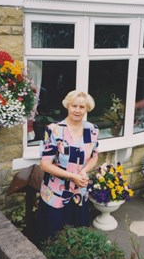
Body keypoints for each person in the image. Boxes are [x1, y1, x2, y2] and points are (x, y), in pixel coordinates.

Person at [37, 90, 99, 244]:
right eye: (74, 106)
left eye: (82, 107)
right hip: (56, 192)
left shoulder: (92, 130)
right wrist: (73, 176)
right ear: (67, 106)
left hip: (79, 191)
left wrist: (83, 171)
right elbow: (44, 165)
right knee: (53, 236)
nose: (77, 110)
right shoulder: (54, 130)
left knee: (78, 235)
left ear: (87, 109)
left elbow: (94, 157)